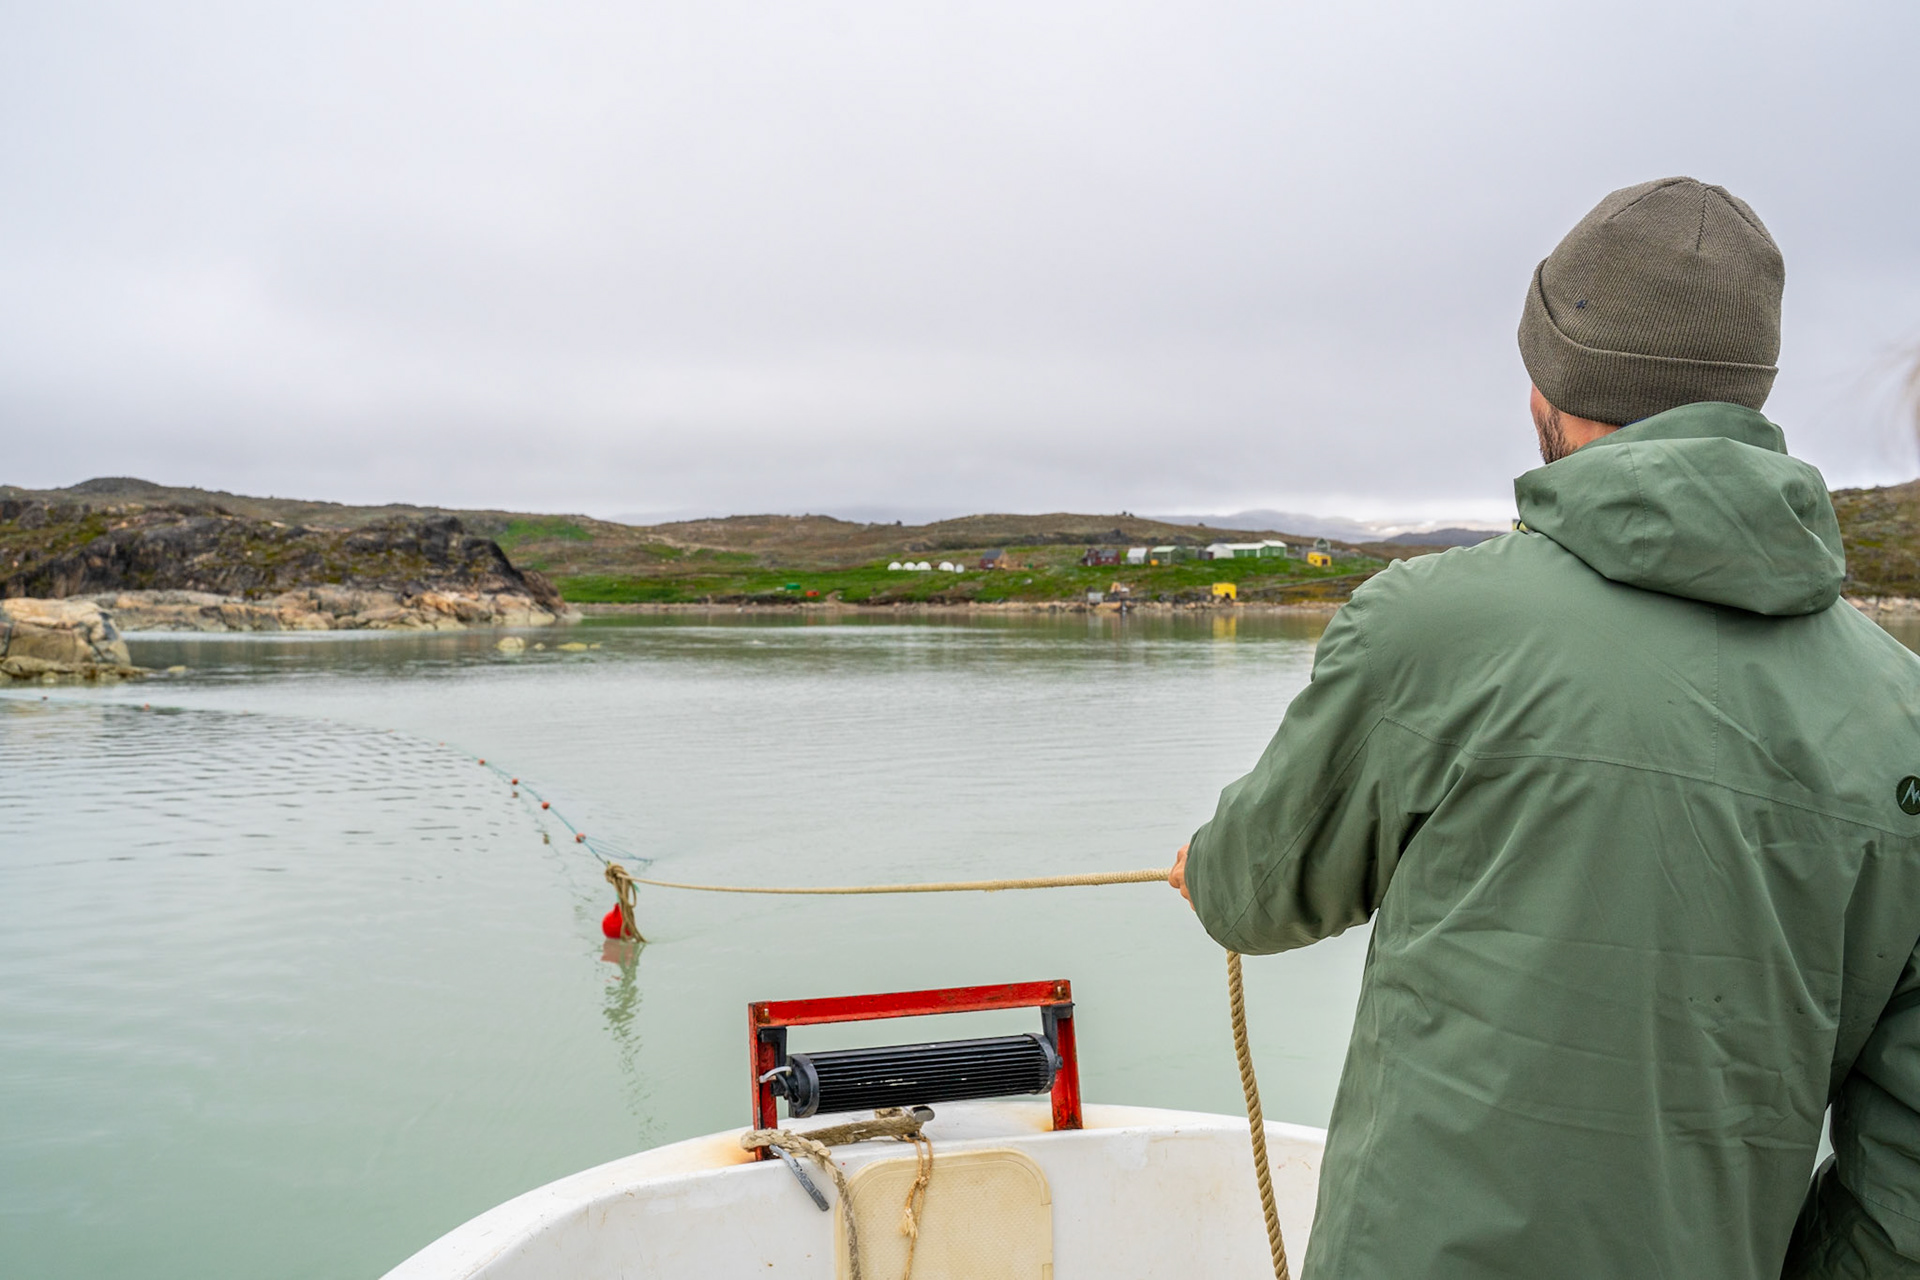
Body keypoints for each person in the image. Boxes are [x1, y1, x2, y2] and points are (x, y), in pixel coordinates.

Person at [1169, 177, 1920, 1278]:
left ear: (1548, 388)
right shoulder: (1902, 717)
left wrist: (1208, 866)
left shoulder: (1432, 626)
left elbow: (1256, 893)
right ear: (1751, 389)